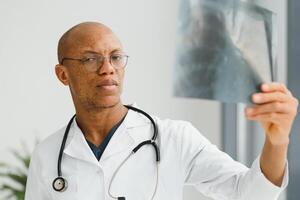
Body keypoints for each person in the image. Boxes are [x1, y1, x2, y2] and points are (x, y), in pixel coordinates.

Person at [25, 22, 298, 200]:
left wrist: (277, 140)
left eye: (116, 57)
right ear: (63, 75)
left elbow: (249, 194)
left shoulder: (173, 137)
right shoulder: (48, 155)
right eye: (90, 59)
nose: (107, 68)